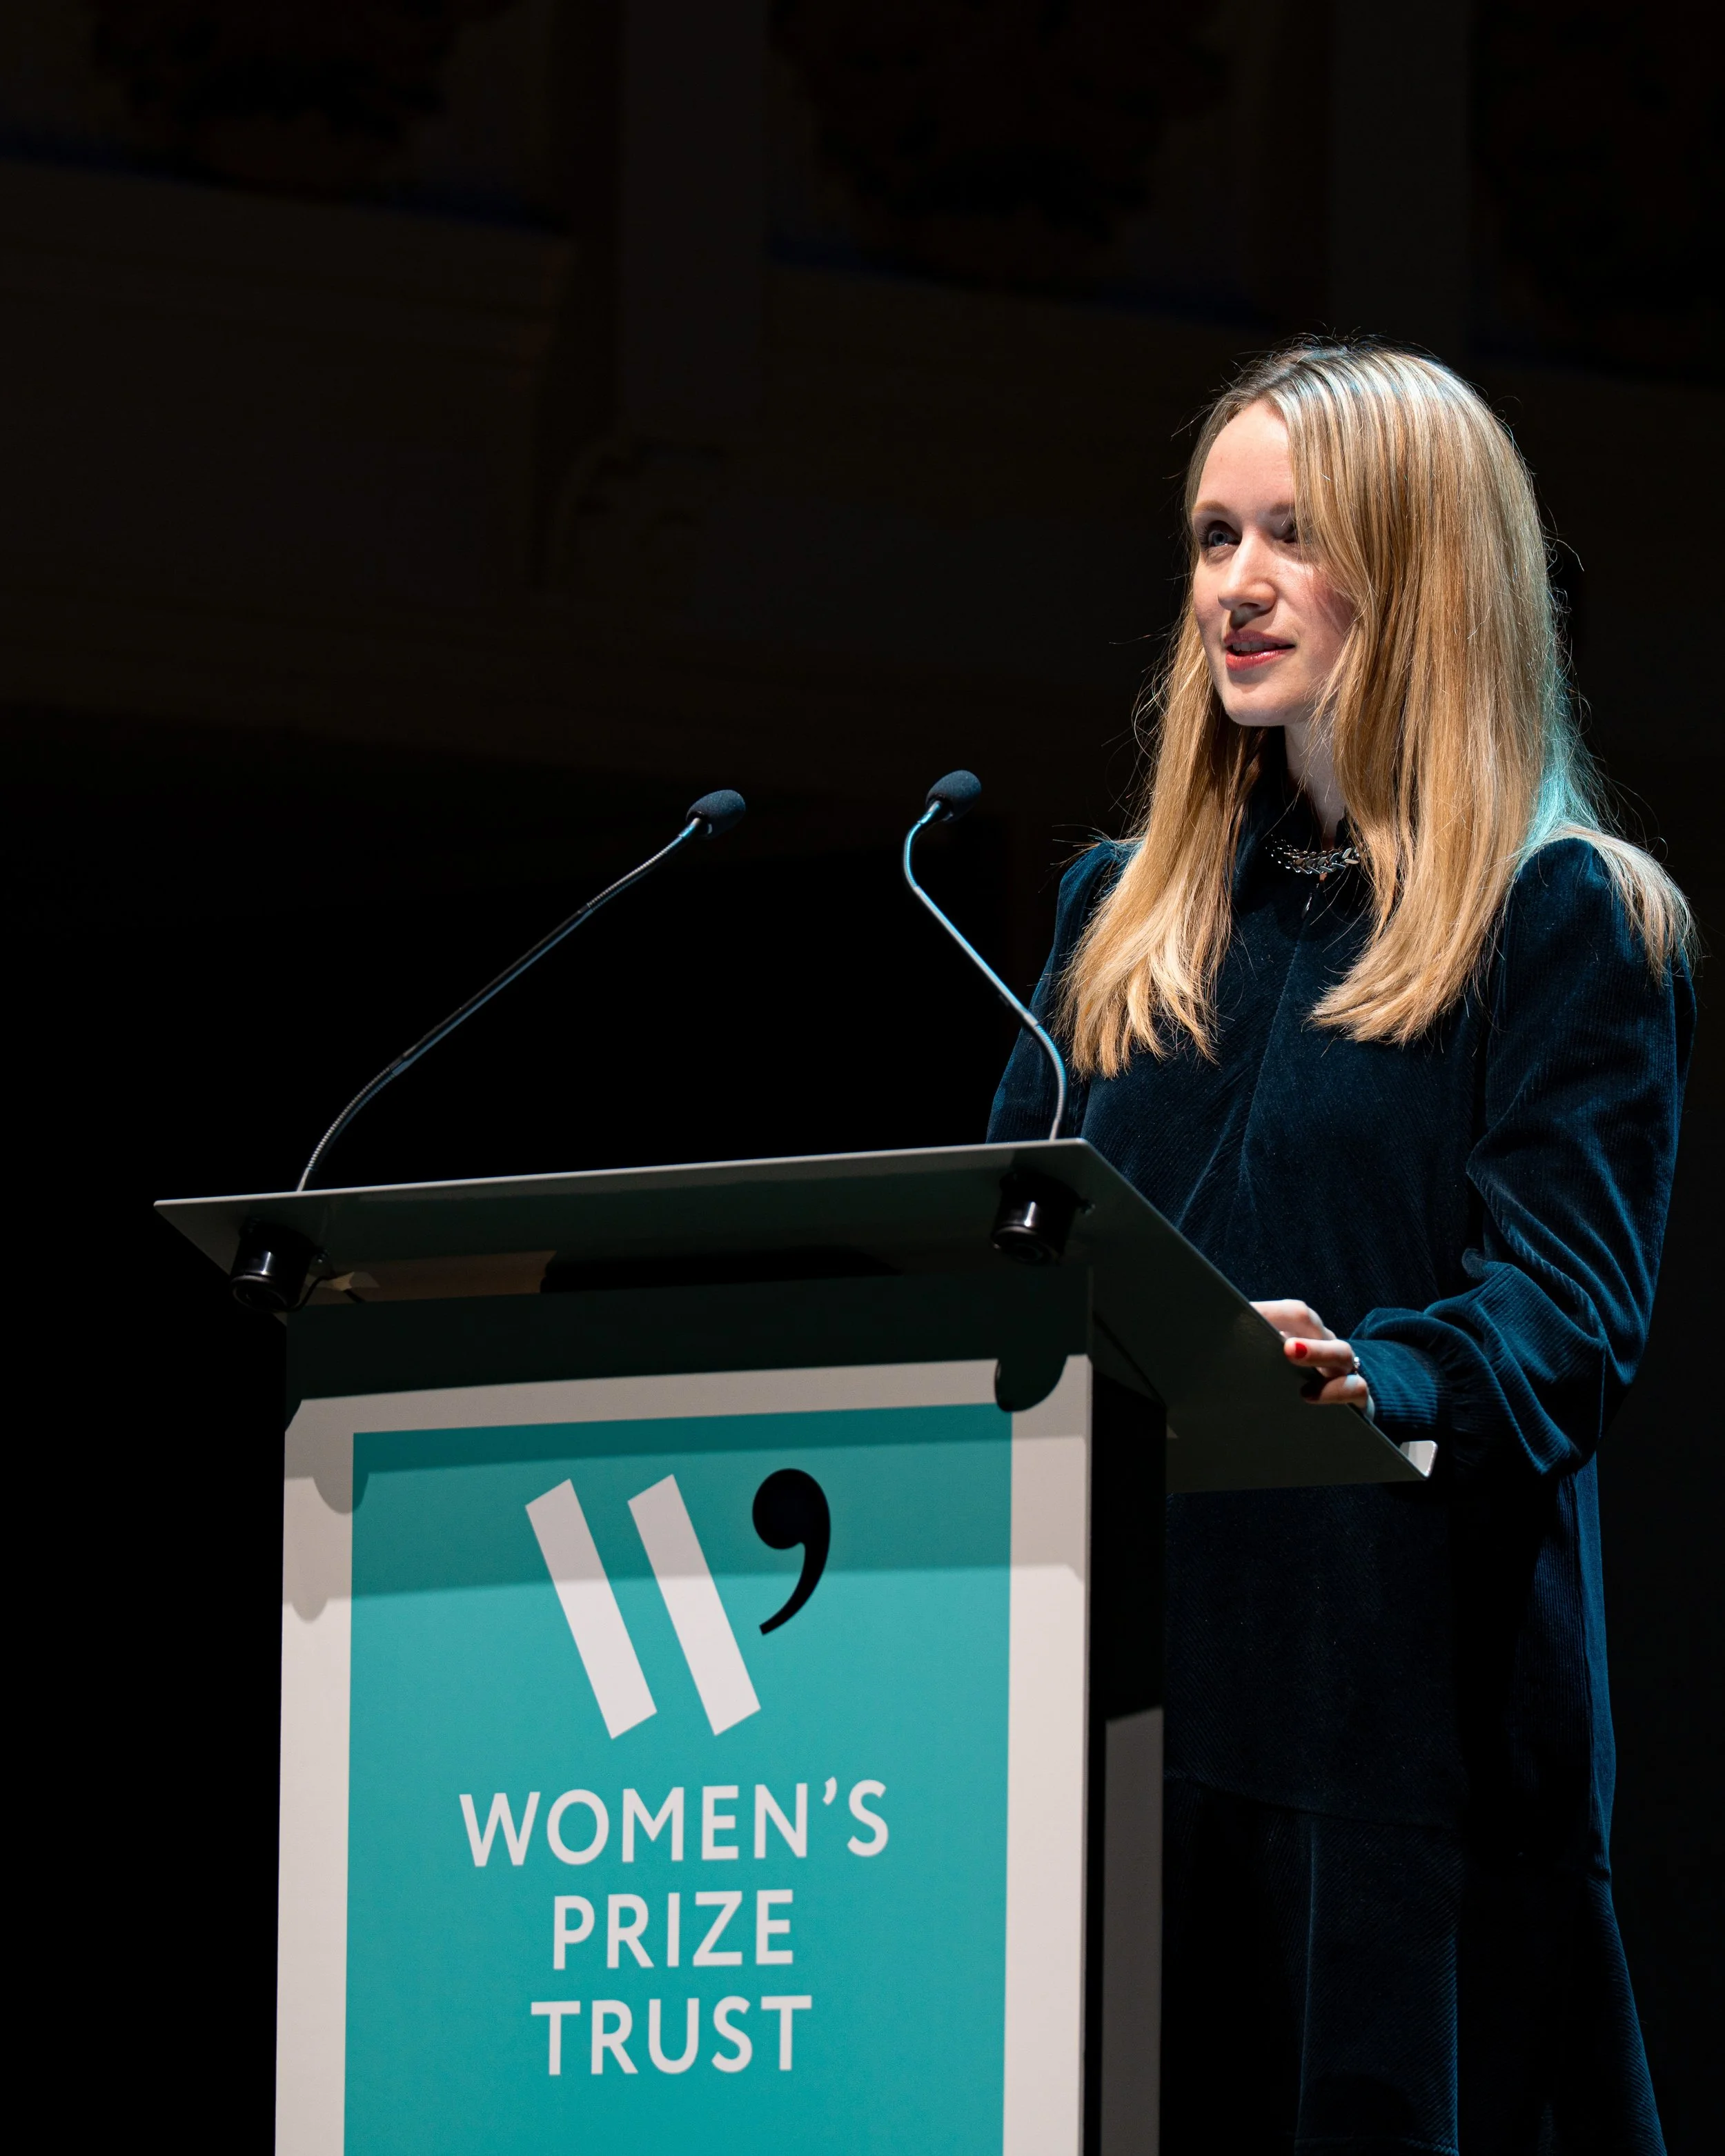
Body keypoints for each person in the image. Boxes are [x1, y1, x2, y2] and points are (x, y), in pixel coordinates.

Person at [988, 342, 1694, 2153]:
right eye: (1214, 537)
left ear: (1423, 565)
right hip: (1114, 1711)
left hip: (1383, 1739)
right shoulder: (1116, 913)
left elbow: (1566, 1312)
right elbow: (998, 1243)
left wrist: (1368, 1373)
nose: (1234, 583)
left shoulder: (1556, 920)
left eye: (1292, 537)